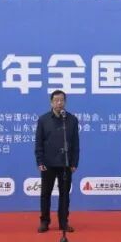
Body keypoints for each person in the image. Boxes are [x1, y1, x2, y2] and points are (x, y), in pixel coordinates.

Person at [35, 90, 80, 233]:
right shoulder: (43, 120)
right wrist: (40, 161)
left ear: (65, 102)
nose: (59, 103)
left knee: (64, 194)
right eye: (56, 100)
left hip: (65, 163)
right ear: (51, 102)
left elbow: (75, 143)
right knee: (45, 194)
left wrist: (74, 162)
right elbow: (39, 143)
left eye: (61, 100)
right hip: (48, 163)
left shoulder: (71, 120)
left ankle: (63, 222)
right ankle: (44, 221)